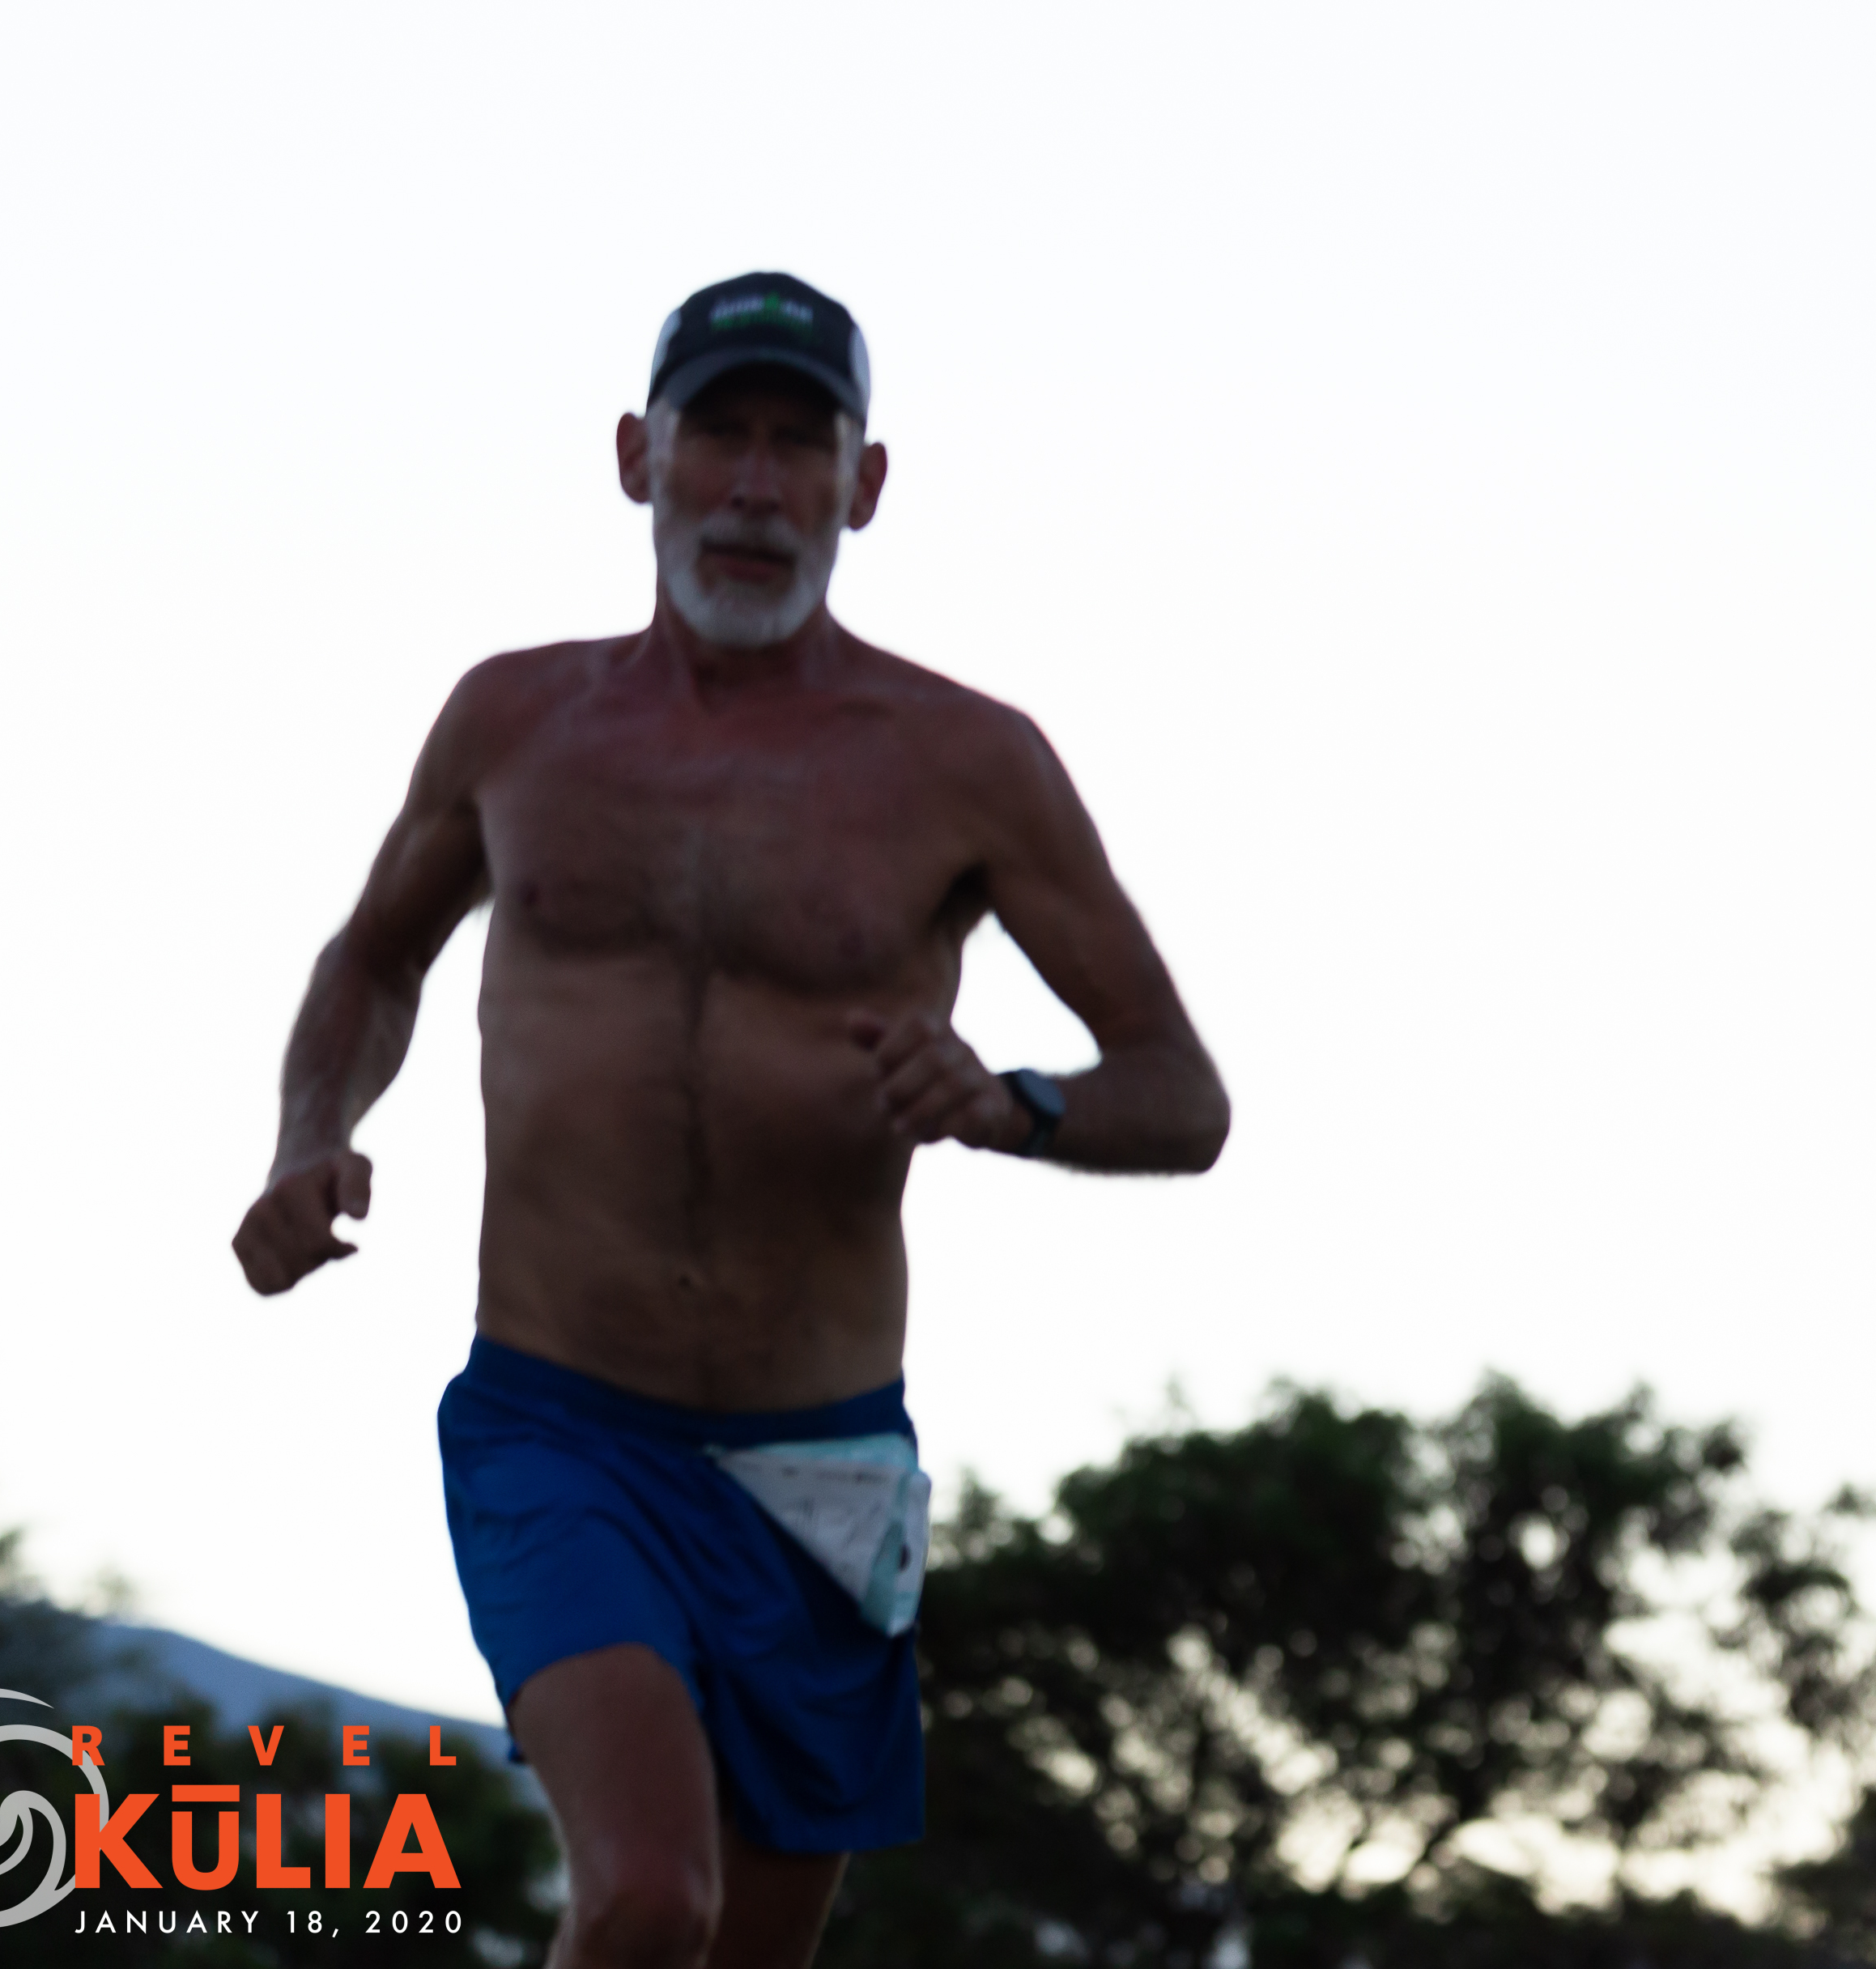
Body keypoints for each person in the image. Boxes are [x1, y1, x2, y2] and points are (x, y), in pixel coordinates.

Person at [230, 270, 1230, 1969]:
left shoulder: (970, 761)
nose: (757, 489)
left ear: (866, 484)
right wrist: (305, 1135)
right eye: (720, 437)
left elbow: (1180, 1094)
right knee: (647, 1900)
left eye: (801, 445)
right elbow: (375, 957)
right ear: (639, 456)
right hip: (559, 1424)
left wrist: (1013, 1102)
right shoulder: (515, 721)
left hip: (821, 1462)